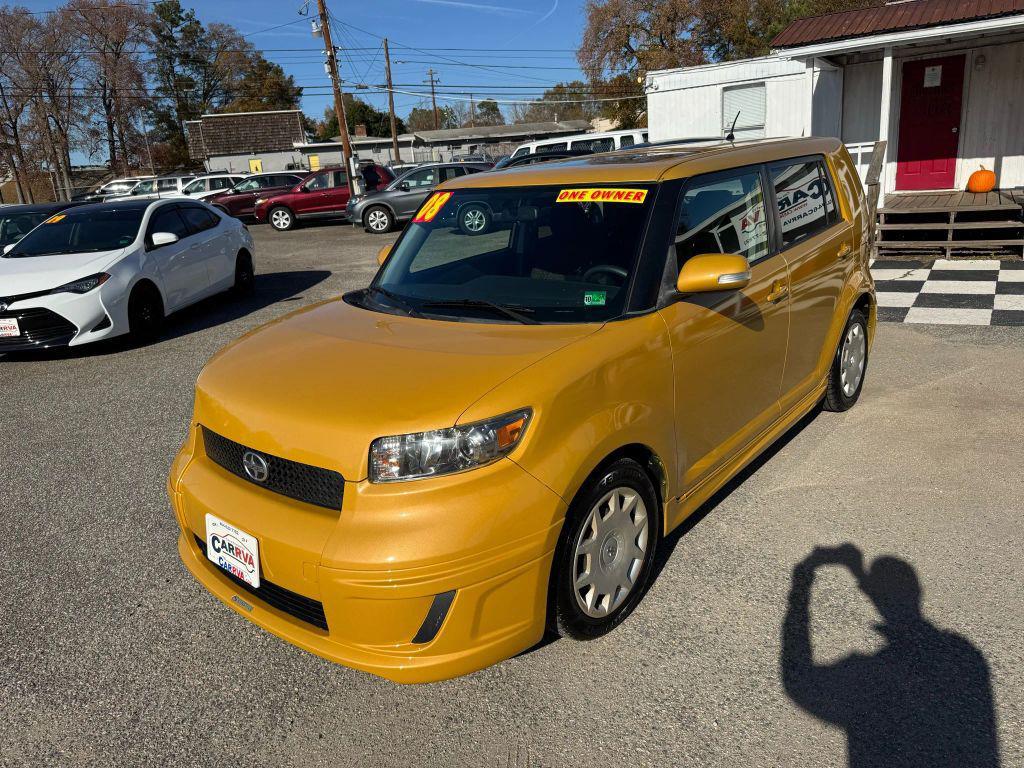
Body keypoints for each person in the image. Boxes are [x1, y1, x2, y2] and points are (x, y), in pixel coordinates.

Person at [781, 544, 999, 767]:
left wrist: (802, 580)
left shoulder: (871, 678)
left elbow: (797, 677)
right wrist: (863, 578)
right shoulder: (965, 657)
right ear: (918, 592)